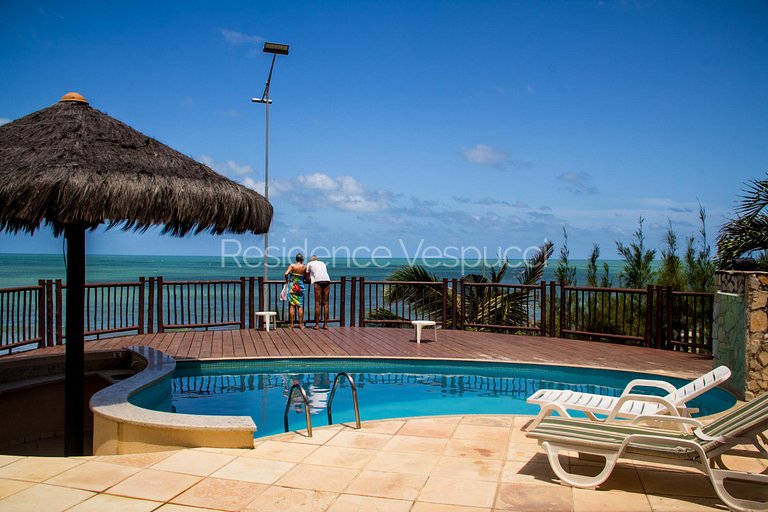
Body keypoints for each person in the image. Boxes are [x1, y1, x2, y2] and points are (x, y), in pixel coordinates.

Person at [305, 255, 331, 330]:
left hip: (318, 281)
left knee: (317, 303)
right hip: (327, 280)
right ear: (317, 260)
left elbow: (307, 277)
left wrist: (310, 280)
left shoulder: (309, 264)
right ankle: (325, 324)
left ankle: (317, 324)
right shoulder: (322, 263)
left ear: (311, 260)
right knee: (325, 303)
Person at [284, 253, 307, 329]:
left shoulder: (292, 266)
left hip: (293, 286)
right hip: (300, 286)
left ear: (296, 259)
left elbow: (286, 273)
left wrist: (287, 281)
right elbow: (306, 277)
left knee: (292, 305)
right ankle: (300, 324)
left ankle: (291, 324)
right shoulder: (304, 267)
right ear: (302, 259)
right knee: (300, 305)